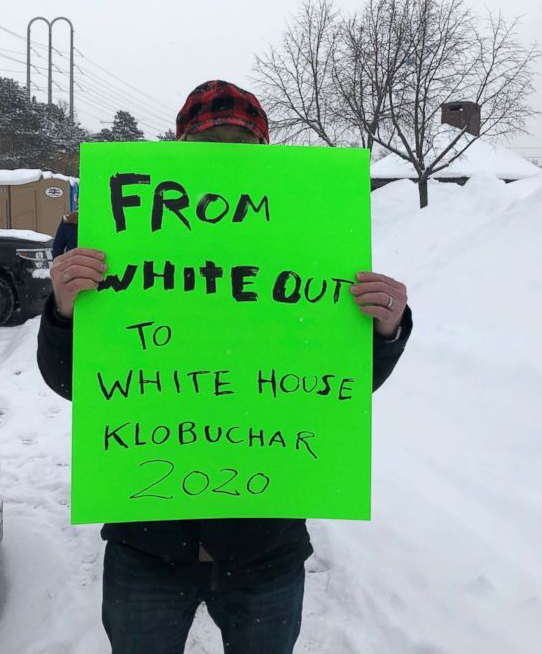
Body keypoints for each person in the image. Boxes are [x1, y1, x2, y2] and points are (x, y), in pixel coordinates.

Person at [36, 80, 412, 654]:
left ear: (264, 150)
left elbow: (338, 385)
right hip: (149, 541)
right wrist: (64, 311)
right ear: (181, 145)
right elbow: (70, 383)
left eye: (243, 140)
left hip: (266, 549)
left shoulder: (304, 242)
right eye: (211, 140)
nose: (227, 153)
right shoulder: (127, 238)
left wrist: (384, 329)